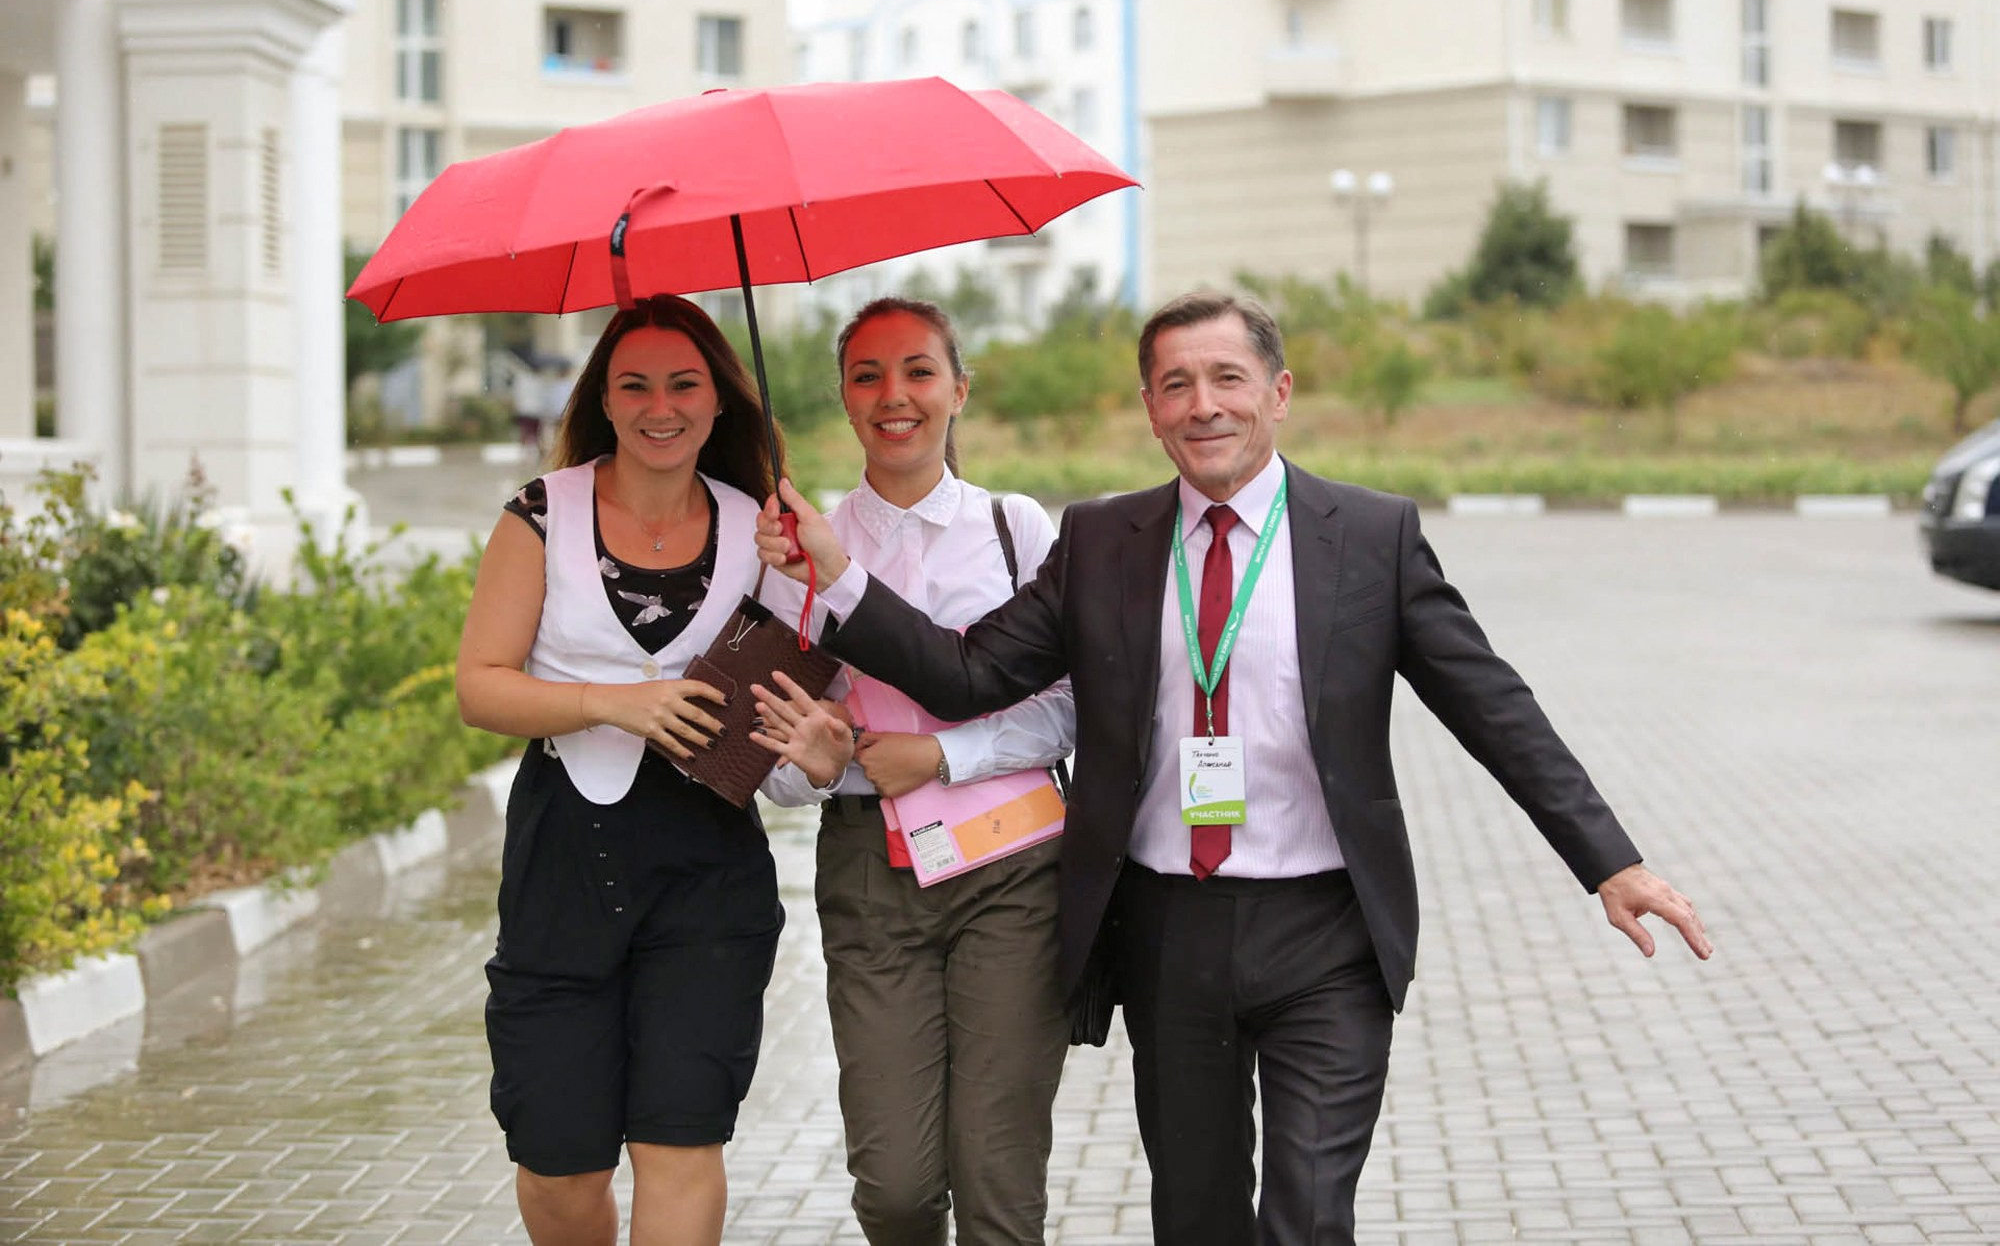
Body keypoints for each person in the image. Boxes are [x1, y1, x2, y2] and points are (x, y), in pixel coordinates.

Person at [755, 291, 1714, 1246]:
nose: (1202, 404)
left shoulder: (1369, 538)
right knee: (1198, 1218)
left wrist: (1608, 860)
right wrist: (839, 574)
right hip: (1171, 931)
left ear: (1279, 392)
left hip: (1328, 933)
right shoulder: (1101, 542)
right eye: (1175, 384)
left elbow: (1491, 703)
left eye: (1227, 378)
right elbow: (965, 674)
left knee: (1305, 1216)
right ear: (1150, 408)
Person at [456, 293, 855, 1246]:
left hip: (707, 874)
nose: (660, 405)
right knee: (559, 1163)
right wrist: (607, 700)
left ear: (720, 402)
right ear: (604, 398)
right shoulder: (539, 515)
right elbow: (480, 687)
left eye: (685, 383)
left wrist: (825, 744)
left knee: (681, 1144)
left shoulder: (762, 533)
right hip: (564, 864)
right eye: (634, 384)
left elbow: (799, 722)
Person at [755, 298, 1076, 1245]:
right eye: (867, 375)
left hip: (1013, 871)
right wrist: (819, 768)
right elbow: (773, 764)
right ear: (844, 401)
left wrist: (943, 754)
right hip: (869, 874)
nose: (894, 395)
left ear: (959, 389)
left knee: (997, 1181)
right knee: (894, 1187)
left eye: (919, 371)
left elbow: (1067, 709)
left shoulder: (1016, 530)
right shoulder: (789, 556)